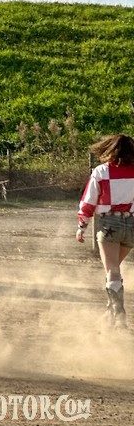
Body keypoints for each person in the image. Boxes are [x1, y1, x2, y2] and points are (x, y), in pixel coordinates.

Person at [76, 134, 134, 329]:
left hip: (109, 224)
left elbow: (88, 201)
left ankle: (119, 315)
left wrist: (82, 226)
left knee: (112, 271)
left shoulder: (101, 171)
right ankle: (109, 314)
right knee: (114, 270)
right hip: (132, 225)